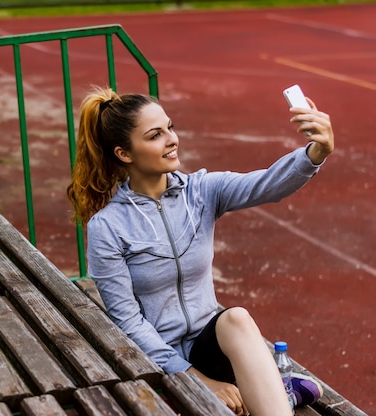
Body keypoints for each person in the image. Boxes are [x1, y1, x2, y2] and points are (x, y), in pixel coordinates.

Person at [67, 86, 333, 415]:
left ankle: (270, 395)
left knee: (236, 318)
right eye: (155, 135)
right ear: (124, 153)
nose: (171, 139)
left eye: (170, 128)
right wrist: (195, 378)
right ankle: (277, 393)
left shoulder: (201, 191)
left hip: (210, 344)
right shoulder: (108, 227)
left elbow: (267, 184)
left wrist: (315, 153)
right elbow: (130, 322)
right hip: (156, 361)